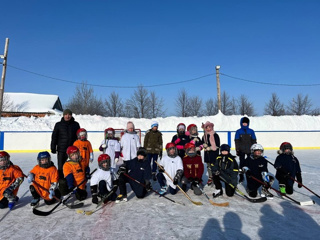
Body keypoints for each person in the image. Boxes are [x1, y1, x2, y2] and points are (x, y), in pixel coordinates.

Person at [51, 109, 80, 179]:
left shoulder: (76, 124)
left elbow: (79, 137)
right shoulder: (58, 125)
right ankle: (61, 183)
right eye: (66, 115)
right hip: (61, 149)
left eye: (69, 115)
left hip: (72, 151)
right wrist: (53, 147)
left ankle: (72, 182)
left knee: (73, 166)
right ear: (63, 115)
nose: (67, 116)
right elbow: (54, 136)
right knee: (61, 167)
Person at [234, 117, 257, 183]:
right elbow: (237, 141)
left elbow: (254, 140)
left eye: (246, 123)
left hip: (250, 149)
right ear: (241, 123)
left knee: (251, 162)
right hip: (242, 150)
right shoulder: (238, 131)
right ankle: (241, 175)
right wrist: (237, 149)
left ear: (248, 123)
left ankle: (251, 174)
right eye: (243, 123)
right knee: (242, 162)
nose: (244, 124)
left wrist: (254, 148)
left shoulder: (251, 131)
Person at [202, 121, 220, 186]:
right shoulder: (204, 136)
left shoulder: (215, 135)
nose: (208, 129)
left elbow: (218, 145)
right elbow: (202, 143)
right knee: (208, 166)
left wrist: (211, 148)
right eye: (207, 127)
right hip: (207, 154)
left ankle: (215, 177)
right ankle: (210, 177)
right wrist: (204, 145)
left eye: (209, 127)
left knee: (214, 166)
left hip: (214, 153)